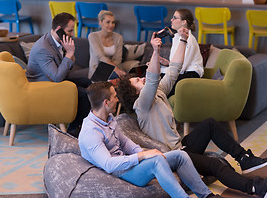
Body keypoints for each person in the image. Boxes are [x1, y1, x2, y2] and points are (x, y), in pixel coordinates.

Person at [116, 30, 267, 198]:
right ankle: (256, 188)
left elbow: (174, 69)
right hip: (174, 156)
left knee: (209, 124)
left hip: (181, 146)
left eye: (139, 78)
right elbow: (152, 78)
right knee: (214, 165)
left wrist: (183, 40)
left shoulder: (159, 91)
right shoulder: (141, 106)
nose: (142, 79)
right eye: (137, 81)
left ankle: (244, 159)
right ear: (133, 93)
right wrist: (155, 51)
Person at [78, 81, 223, 198]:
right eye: (114, 96)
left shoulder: (109, 119)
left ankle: (207, 196)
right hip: (119, 172)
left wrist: (143, 153)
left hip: (128, 163)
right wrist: (142, 156)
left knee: (180, 155)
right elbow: (109, 165)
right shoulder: (91, 132)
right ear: (106, 102)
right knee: (156, 161)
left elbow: (125, 142)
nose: (117, 99)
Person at [25, 12, 91, 136]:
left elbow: (68, 67)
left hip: (54, 80)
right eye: (70, 31)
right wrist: (69, 54)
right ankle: (74, 129)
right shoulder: (43, 48)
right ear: (60, 30)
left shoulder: (58, 41)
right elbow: (57, 77)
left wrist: (69, 53)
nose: (73, 34)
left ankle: (84, 124)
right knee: (82, 93)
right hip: (43, 86)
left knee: (87, 83)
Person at [160, 8, 203, 97]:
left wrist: (163, 70)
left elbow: (181, 68)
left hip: (191, 75)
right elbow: (177, 64)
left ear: (184, 22)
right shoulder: (176, 37)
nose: (171, 20)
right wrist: (167, 63)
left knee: (159, 77)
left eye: (175, 18)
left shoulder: (189, 40)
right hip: (183, 71)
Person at [88, 10, 126, 79]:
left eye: (113, 22)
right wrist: (114, 68)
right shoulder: (92, 36)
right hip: (97, 70)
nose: (111, 25)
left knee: (124, 78)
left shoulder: (119, 38)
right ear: (100, 22)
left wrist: (113, 69)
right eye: (108, 22)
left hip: (114, 69)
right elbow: (100, 57)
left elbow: (118, 59)